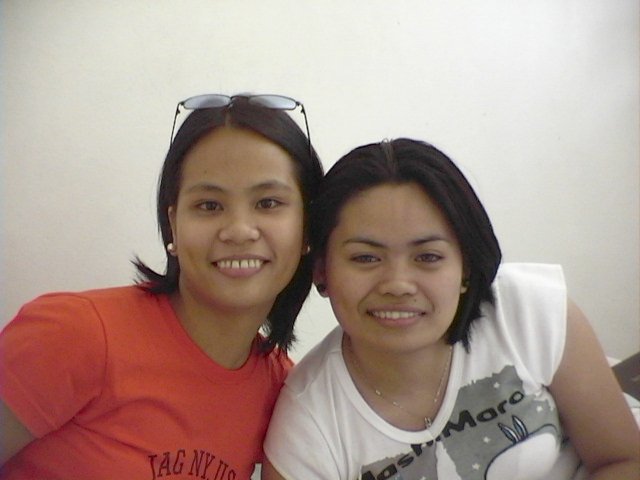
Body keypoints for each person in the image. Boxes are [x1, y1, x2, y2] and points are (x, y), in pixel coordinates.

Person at [262, 138, 640, 479]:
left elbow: (623, 461)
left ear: (466, 268)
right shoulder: (308, 420)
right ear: (321, 270)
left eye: (428, 257)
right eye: (365, 258)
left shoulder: (528, 310)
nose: (397, 284)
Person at [0, 94, 324, 479]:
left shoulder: (285, 391)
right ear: (173, 225)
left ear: (308, 228)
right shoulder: (73, 333)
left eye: (268, 203)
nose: (239, 230)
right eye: (209, 205)